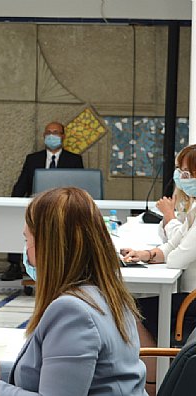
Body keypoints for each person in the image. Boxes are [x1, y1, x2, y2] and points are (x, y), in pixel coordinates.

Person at [0, 187, 147, 395]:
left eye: (27, 240)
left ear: (48, 247)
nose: (25, 251)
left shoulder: (73, 311)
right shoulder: (108, 294)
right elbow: (70, 374)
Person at [121, 144, 196, 394]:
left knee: (130, 308)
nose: (181, 178)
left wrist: (169, 217)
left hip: (192, 301)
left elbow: (176, 258)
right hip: (188, 294)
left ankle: (153, 384)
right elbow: (171, 246)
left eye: (186, 173)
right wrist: (146, 254)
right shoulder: (194, 209)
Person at [1, 121, 84, 281]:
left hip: (62, 207)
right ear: (44, 136)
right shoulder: (33, 159)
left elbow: (78, 186)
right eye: (49, 132)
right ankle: (14, 265)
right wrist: (14, 202)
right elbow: (22, 184)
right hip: (36, 206)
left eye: (56, 132)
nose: (52, 136)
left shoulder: (74, 160)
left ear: (63, 136)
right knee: (17, 221)